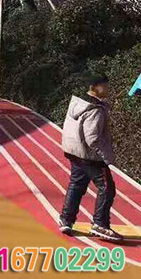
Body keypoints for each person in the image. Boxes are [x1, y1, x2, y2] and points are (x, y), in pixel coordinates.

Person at [58, 73, 122, 242]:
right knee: (107, 188)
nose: (107, 89)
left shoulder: (79, 103)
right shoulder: (95, 109)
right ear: (94, 88)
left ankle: (66, 219)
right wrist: (106, 156)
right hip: (90, 156)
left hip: (75, 152)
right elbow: (92, 138)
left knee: (77, 184)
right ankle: (100, 223)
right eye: (104, 86)